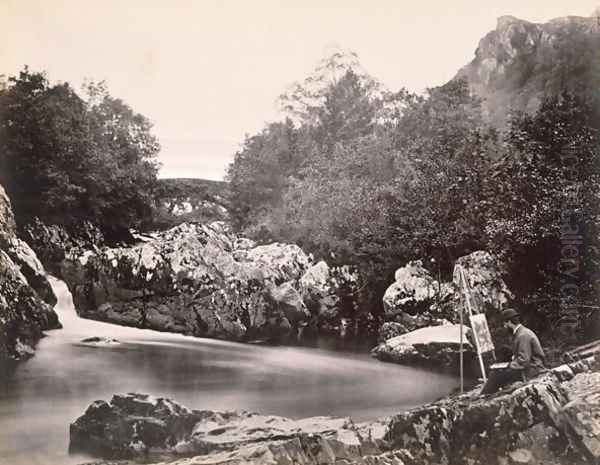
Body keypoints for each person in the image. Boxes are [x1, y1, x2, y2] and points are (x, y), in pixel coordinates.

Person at [480, 308, 546, 395]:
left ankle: (484, 397)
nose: (504, 327)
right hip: (529, 366)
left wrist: (507, 366)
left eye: (505, 324)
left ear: (509, 322)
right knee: (499, 370)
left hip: (532, 369)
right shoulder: (521, 332)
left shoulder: (523, 335)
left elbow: (524, 361)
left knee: (496, 374)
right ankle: (489, 394)